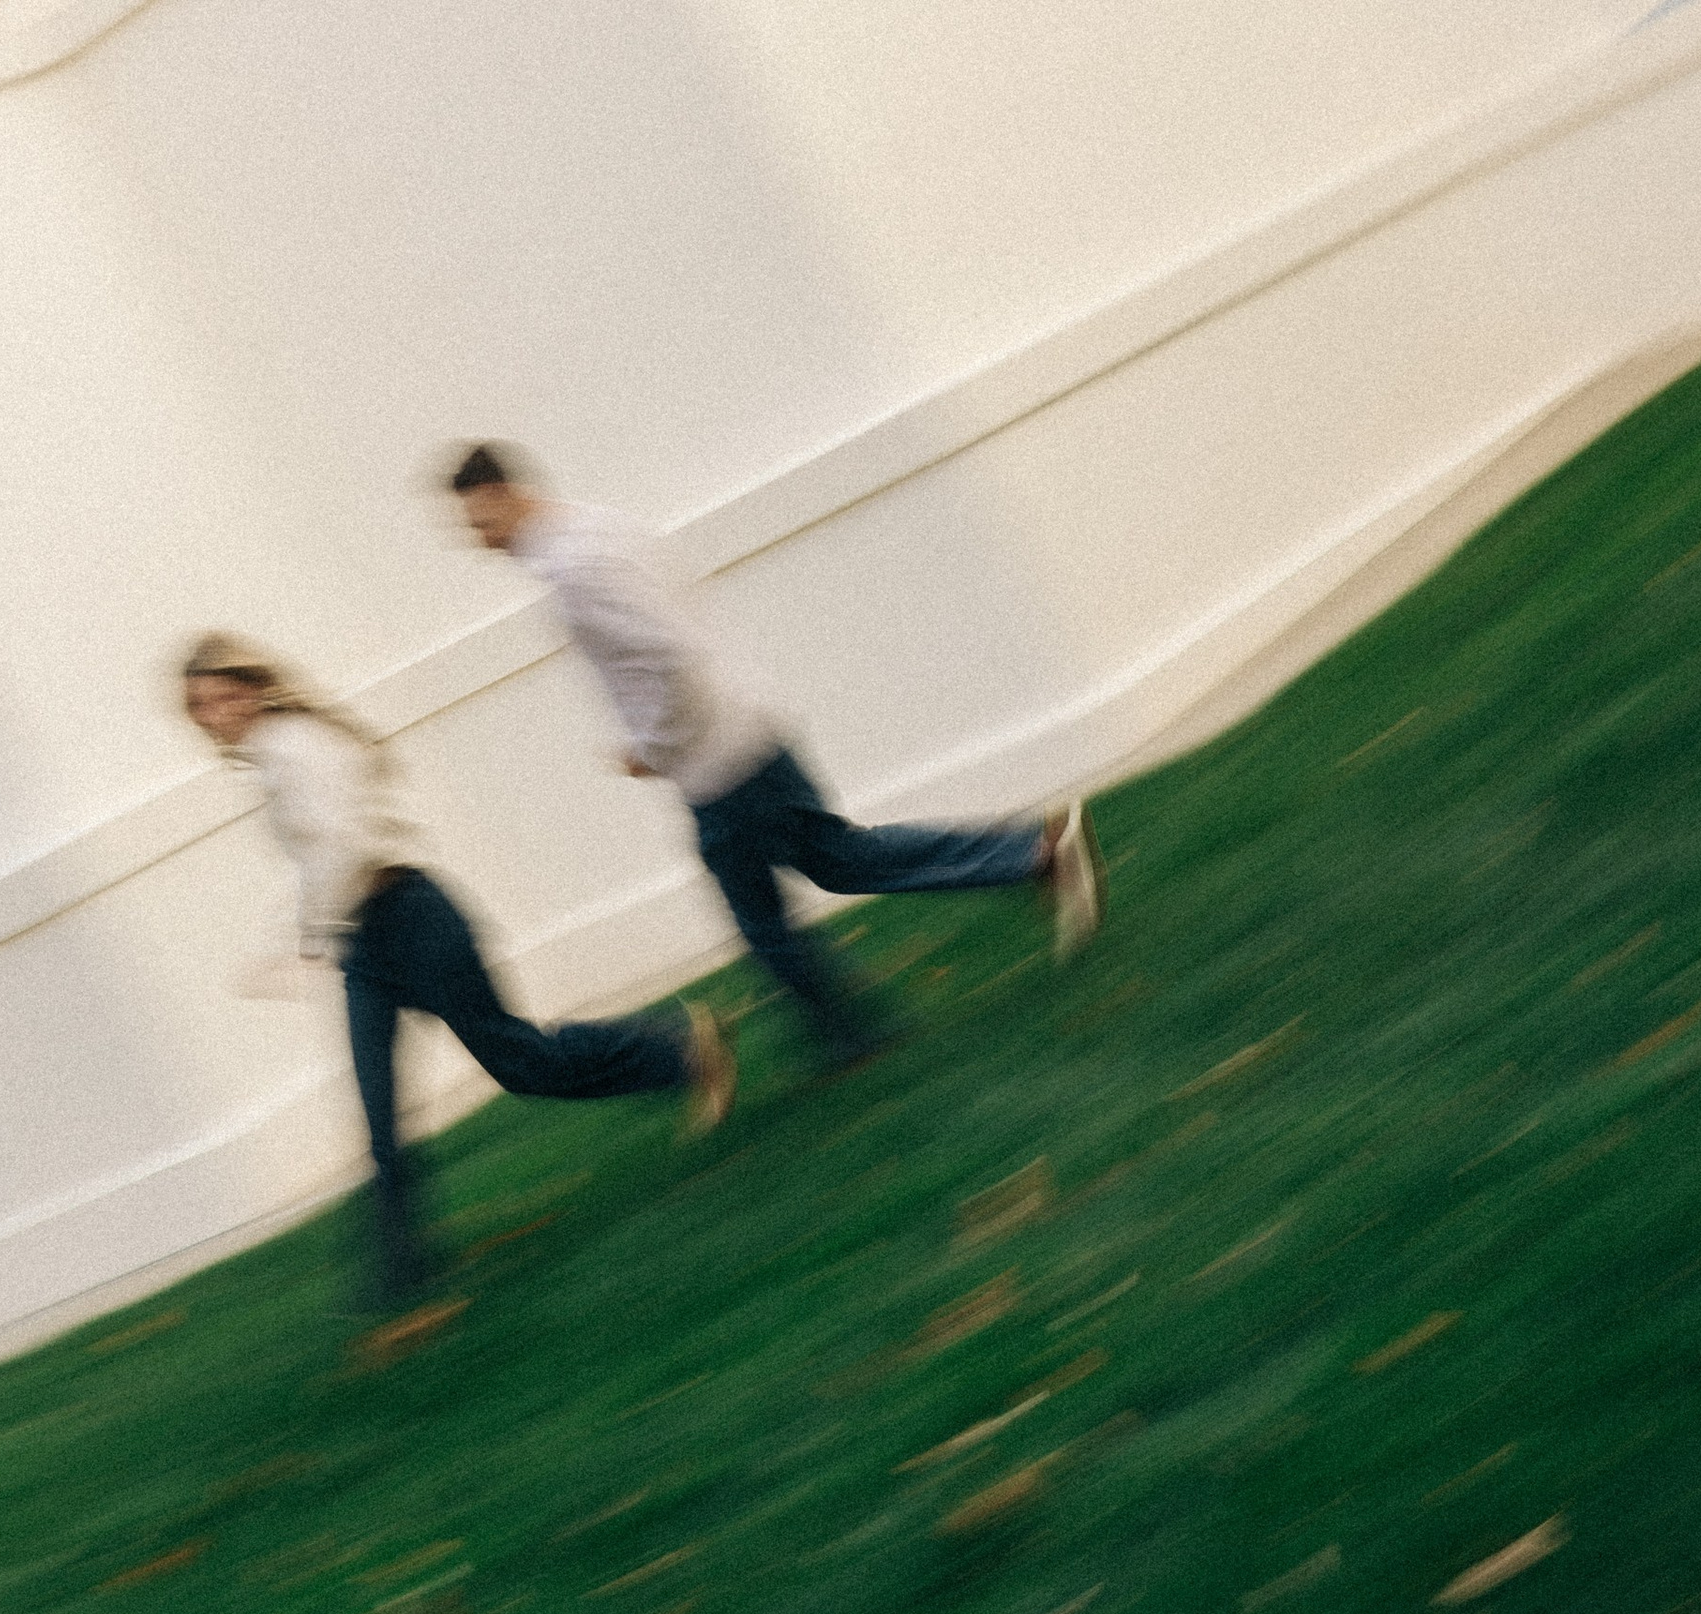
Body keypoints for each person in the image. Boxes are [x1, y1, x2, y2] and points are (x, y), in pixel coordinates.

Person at [443, 450, 1104, 1075]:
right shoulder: (599, 529)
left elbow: (671, 656)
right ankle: (1013, 876)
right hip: (742, 730)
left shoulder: (574, 571)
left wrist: (651, 748)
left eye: (481, 520)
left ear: (507, 493)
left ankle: (877, 1013)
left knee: (784, 907)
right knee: (834, 862)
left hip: (718, 762)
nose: (479, 539)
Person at [179, 632, 734, 1324]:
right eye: (201, 705)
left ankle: (678, 1053)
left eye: (224, 695)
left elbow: (347, 845)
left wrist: (311, 936)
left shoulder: (299, 747)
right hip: (368, 948)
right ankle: (399, 1274)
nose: (215, 712)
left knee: (521, 1062)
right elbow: (319, 859)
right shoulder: (274, 756)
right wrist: (291, 941)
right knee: (379, 1111)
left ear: (254, 687)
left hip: (415, 924)